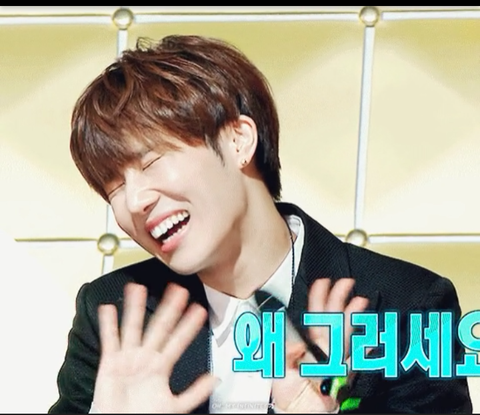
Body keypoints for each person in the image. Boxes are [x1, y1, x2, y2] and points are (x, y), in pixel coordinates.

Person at [48, 34, 472, 414]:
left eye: (151, 161)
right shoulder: (110, 315)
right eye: (114, 188)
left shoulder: (407, 305)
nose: (135, 202)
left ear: (238, 141)